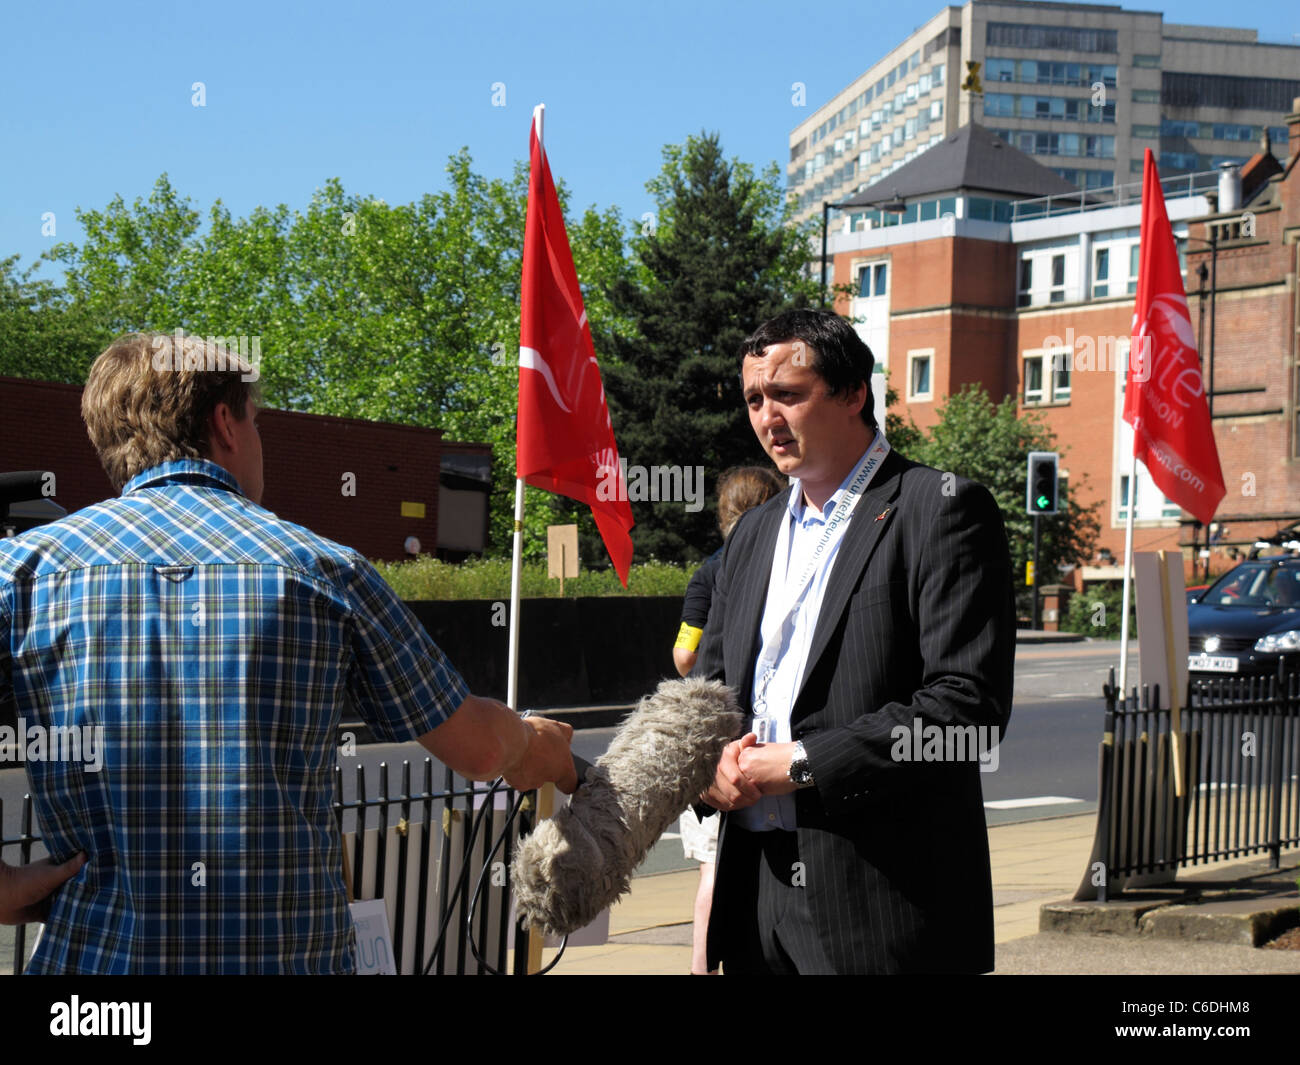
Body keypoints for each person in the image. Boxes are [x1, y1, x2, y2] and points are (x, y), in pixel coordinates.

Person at [0, 331, 576, 973]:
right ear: (226, 423)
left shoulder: (20, 573)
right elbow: (481, 749)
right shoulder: (322, 569)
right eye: (258, 422)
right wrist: (537, 746)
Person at [695, 308, 1014, 974]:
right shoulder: (753, 535)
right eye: (755, 398)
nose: (766, 416)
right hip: (754, 901)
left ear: (852, 394)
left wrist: (803, 761)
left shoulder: (940, 508)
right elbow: (711, 694)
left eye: (787, 394)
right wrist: (710, 764)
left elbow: (967, 706)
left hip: (881, 909)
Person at [672, 465, 784, 974]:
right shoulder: (780, 558)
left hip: (717, 745)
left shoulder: (709, 570)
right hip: (759, 748)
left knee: (712, 874)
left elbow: (683, 657)